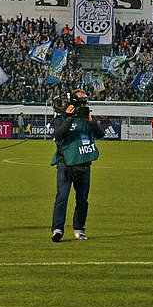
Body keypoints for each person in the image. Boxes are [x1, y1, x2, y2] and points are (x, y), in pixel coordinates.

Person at [50, 90, 104, 242]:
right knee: (62, 197)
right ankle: (57, 229)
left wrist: (91, 121)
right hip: (65, 163)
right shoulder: (61, 118)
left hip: (84, 163)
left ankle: (79, 229)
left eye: (85, 102)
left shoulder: (87, 119)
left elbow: (100, 134)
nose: (83, 105)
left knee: (82, 199)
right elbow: (58, 135)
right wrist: (68, 118)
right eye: (80, 103)